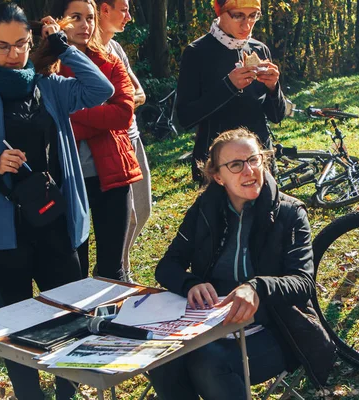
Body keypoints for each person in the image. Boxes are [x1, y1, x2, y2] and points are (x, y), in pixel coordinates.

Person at [0, 2, 114, 399]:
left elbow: (101, 89)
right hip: (0, 235)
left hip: (54, 222)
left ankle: (66, 391)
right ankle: (29, 394)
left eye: (20, 44)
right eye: (1, 46)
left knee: (70, 318)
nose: (12, 55)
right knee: (15, 327)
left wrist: (62, 44)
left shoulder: (48, 87)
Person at [149, 128, 335, 399]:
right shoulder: (205, 209)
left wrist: (256, 287)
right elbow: (167, 266)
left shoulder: (289, 213)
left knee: (208, 363)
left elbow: (303, 282)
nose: (248, 171)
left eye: (254, 160)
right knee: (164, 360)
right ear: (218, 176)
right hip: (210, 324)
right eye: (236, 165)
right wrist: (191, 283)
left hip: (277, 327)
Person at [44, 0, 143, 280]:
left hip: (112, 175)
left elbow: (123, 114)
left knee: (114, 268)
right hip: (66, 179)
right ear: (59, 21)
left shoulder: (110, 62)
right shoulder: (46, 67)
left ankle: (117, 322)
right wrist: (98, 115)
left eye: (90, 18)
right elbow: (48, 122)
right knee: (74, 269)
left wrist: (72, 111)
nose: (85, 25)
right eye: (76, 17)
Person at [176, 0, 286, 183]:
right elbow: (185, 117)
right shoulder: (196, 53)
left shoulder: (260, 49)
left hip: (260, 161)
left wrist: (274, 88)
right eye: (238, 16)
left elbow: (276, 116)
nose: (247, 25)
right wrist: (229, 86)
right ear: (219, 10)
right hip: (219, 166)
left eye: (253, 16)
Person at [95, 0, 152, 282]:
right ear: (104, 10)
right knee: (125, 214)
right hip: (109, 145)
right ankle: (120, 274)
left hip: (133, 137)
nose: (129, 16)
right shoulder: (87, 51)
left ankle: (121, 267)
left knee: (143, 209)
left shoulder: (115, 49)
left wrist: (121, 104)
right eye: (124, 9)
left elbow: (139, 93)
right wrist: (119, 104)